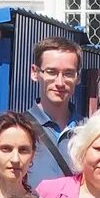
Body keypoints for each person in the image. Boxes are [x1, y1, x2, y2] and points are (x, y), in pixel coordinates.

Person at [28, 36, 85, 181]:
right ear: (35, 72)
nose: (60, 82)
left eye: (68, 74)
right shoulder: (19, 128)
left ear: (78, 77)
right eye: (51, 72)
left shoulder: (90, 132)